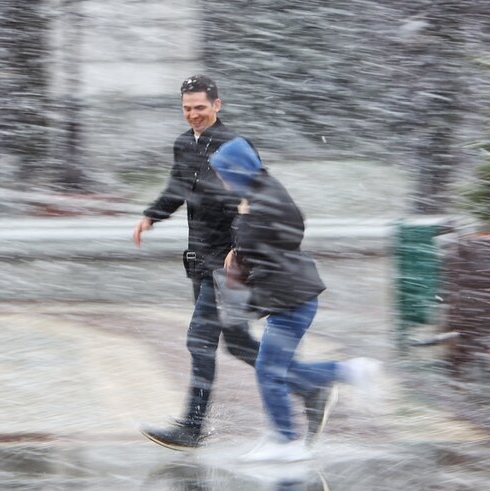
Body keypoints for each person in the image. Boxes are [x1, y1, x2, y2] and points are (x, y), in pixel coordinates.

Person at [133, 75, 338, 451]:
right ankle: (309, 387)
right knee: (239, 343)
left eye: (199, 108)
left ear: (217, 105)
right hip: (200, 258)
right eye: (186, 109)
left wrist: (241, 249)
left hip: (228, 264)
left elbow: (257, 198)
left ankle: (192, 427)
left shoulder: (234, 147)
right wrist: (152, 215)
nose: (193, 115)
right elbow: (177, 187)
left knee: (200, 339)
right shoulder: (183, 144)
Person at [209, 137, 382, 462]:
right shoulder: (262, 193)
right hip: (292, 298)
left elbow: (264, 246)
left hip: (291, 301)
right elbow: (285, 231)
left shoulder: (261, 202)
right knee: (277, 369)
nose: (221, 180)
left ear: (237, 171)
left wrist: (241, 259)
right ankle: (348, 374)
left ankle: (286, 438)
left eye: (223, 174)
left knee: (268, 371)